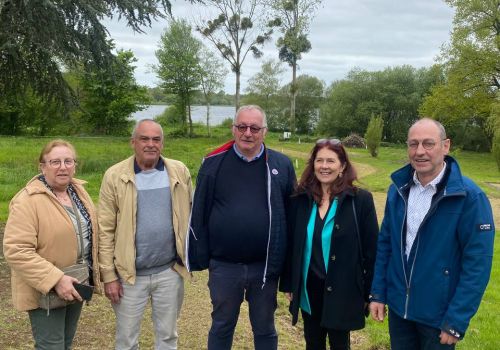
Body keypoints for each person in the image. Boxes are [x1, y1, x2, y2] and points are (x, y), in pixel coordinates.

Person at [369, 118, 495, 349]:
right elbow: (386, 244)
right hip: (399, 310)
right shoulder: (398, 191)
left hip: (438, 316)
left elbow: (478, 264)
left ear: (445, 146)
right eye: (413, 144)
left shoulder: (469, 198)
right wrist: (378, 293)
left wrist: (457, 319)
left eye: (428, 144)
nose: (419, 152)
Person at [186, 105, 296, 350]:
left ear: (264, 131)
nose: (248, 133)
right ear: (233, 129)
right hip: (225, 266)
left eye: (254, 128)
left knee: (265, 328)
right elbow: (200, 212)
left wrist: (287, 268)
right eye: (242, 127)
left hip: (265, 267)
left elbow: (291, 217)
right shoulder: (213, 163)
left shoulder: (281, 165)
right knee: (222, 325)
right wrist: (201, 257)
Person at [98, 119, 192, 350]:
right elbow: (105, 229)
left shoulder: (179, 171)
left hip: (169, 272)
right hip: (129, 276)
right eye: (144, 139)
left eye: (156, 139)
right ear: (133, 142)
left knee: (168, 336)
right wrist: (109, 275)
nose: (150, 144)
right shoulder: (114, 176)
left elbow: (192, 216)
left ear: (162, 143)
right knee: (127, 339)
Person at [280, 139, 378, 350]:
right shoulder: (300, 199)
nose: (324, 166)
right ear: (313, 164)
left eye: (331, 161)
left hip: (343, 290)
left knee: (340, 345)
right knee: (312, 343)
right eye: (319, 160)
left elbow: (372, 252)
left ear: (342, 166)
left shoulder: (360, 201)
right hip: (309, 289)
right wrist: (289, 283)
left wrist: (370, 293)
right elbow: (292, 245)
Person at [3, 139, 101, 349]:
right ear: (42, 166)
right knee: (51, 346)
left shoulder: (78, 192)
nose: (63, 167)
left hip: (76, 281)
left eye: (68, 161)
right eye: (55, 162)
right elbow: (16, 251)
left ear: (75, 165)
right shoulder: (27, 201)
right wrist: (56, 279)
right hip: (46, 288)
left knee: (65, 343)